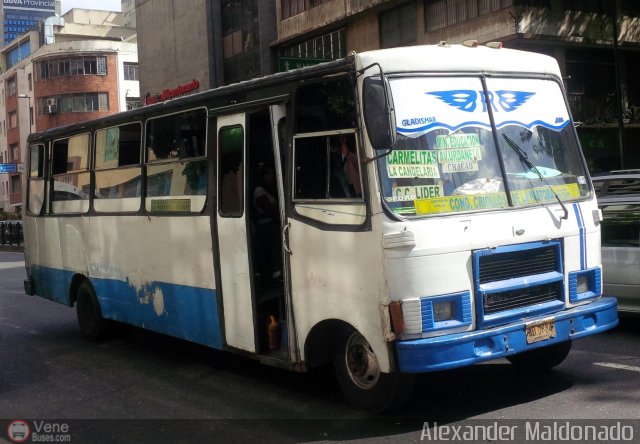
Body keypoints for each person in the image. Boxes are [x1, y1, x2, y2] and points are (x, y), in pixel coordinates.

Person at [253, 164, 282, 283]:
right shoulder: (259, 190)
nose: (272, 177)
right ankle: (277, 270)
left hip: (272, 222)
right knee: (276, 233)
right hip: (263, 226)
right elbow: (268, 208)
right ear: (263, 176)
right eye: (269, 174)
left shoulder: (271, 191)